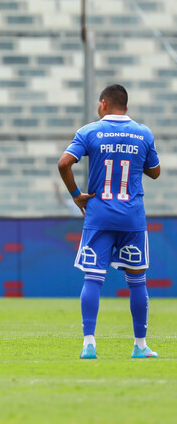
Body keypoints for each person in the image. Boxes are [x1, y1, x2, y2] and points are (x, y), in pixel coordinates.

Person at [58, 84, 161, 359]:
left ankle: (88, 343)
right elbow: (155, 172)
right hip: (132, 217)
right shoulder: (143, 133)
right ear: (125, 106)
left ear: (103, 104)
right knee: (137, 281)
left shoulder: (89, 131)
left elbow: (63, 163)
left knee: (93, 279)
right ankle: (140, 346)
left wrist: (76, 195)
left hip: (99, 215)